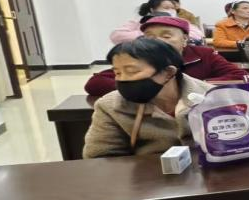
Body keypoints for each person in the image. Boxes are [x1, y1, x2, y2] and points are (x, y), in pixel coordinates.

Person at [83, 38, 211, 158]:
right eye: (117, 73)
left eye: (132, 72)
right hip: (143, 172)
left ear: (169, 73)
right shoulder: (110, 106)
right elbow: (100, 157)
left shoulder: (211, 97)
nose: (122, 79)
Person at [85, 16, 249, 96]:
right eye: (150, 36)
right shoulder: (138, 57)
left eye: (166, 35)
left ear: (184, 39)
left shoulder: (203, 54)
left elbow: (241, 76)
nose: (157, 40)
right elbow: (95, 83)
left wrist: (188, 87)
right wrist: (142, 87)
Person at [110, 0, 205, 44]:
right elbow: (116, 36)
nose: (171, 10)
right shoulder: (138, 21)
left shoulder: (180, 21)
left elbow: (197, 34)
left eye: (173, 8)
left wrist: (171, 35)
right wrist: (149, 35)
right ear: (152, 9)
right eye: (166, 8)